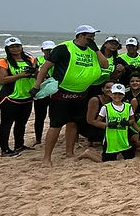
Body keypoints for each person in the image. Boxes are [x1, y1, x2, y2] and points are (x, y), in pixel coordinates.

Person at [32, 25, 110, 167]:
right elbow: (45, 67)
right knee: (56, 125)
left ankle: (70, 152)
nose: (92, 39)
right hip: (62, 93)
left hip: (80, 95)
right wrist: (36, 86)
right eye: (89, 37)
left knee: (73, 123)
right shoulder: (64, 48)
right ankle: (46, 158)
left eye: (93, 37)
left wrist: (96, 49)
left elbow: (105, 65)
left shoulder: (92, 50)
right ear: (80, 35)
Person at [0, 36, 39, 156]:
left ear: (21, 47)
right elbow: (3, 79)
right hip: (10, 97)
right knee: (6, 124)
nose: (15, 49)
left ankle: (19, 145)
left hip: (27, 96)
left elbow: (36, 75)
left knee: (21, 123)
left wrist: (35, 71)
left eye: (17, 46)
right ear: (7, 49)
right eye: (12, 47)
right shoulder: (3, 62)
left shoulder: (29, 59)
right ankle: (5, 150)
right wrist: (21, 75)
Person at [83, 83, 139, 162]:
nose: (117, 96)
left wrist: (127, 123)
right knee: (106, 161)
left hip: (124, 139)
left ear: (123, 95)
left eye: (120, 94)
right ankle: (88, 154)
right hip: (110, 140)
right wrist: (108, 124)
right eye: (115, 93)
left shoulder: (128, 106)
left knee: (130, 158)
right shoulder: (106, 107)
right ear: (111, 94)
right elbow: (97, 122)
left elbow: (132, 120)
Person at [31, 41, 55, 145]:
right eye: (47, 50)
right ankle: (38, 139)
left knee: (53, 115)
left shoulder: (58, 59)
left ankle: (52, 137)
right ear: (42, 50)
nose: (49, 52)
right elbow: (34, 74)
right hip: (41, 91)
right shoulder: (38, 60)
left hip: (54, 91)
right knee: (39, 116)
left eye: (51, 49)